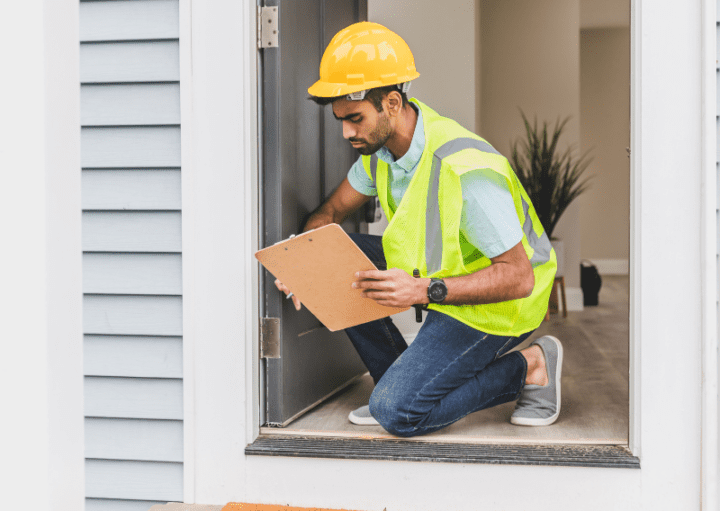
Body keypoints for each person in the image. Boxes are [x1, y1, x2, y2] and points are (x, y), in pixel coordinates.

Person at [275, 21, 562, 438]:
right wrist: (307, 263)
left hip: (501, 304)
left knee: (398, 412)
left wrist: (426, 290)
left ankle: (533, 366)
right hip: (441, 280)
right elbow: (331, 211)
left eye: (355, 118)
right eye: (341, 120)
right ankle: (400, 380)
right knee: (335, 256)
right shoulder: (380, 154)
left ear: (392, 103)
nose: (346, 133)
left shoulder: (464, 170)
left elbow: (518, 277)